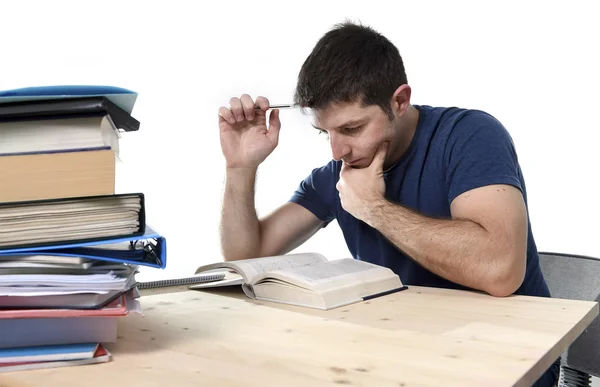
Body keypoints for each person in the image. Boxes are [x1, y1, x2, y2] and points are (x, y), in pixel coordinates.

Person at [217, 21, 559, 386]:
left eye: (351, 129)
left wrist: (374, 209)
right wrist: (240, 166)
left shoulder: (470, 136)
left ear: (399, 101)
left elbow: (500, 271)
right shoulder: (339, 172)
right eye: (325, 132)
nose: (338, 151)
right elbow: (244, 257)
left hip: (507, 360)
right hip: (409, 356)